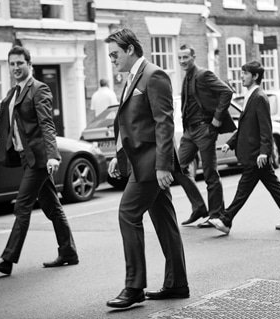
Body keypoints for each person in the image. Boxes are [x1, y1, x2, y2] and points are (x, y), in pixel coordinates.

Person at [0, 45, 78, 275]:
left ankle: (7, 259)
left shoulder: (39, 89)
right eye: (11, 64)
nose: (15, 68)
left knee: (22, 206)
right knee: (52, 206)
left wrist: (53, 155)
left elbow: (47, 125)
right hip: (27, 158)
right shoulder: (13, 93)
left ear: (29, 64)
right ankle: (68, 252)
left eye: (19, 63)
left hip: (41, 160)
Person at [104, 29, 188, 309]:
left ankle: (134, 287)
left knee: (128, 214)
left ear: (130, 49)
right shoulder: (130, 79)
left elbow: (165, 123)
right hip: (139, 162)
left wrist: (164, 166)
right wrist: (119, 156)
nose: (111, 59)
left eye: (115, 53)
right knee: (164, 220)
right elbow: (129, 124)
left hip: (152, 164)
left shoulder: (154, 75)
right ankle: (177, 284)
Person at [208, 61, 280, 235]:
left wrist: (264, 152)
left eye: (245, 73)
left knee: (243, 189)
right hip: (254, 153)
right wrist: (230, 143)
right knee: (273, 187)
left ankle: (226, 219)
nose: (242, 76)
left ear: (255, 76)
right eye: (242, 72)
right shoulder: (250, 95)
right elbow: (246, 126)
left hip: (256, 155)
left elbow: (265, 127)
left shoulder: (259, 97)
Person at [174, 44, 236, 228]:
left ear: (193, 56)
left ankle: (216, 214)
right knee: (177, 167)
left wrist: (216, 120)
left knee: (210, 173)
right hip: (189, 132)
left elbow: (226, 91)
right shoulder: (186, 78)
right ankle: (199, 207)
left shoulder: (203, 74)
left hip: (204, 129)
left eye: (186, 57)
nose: (182, 61)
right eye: (180, 58)